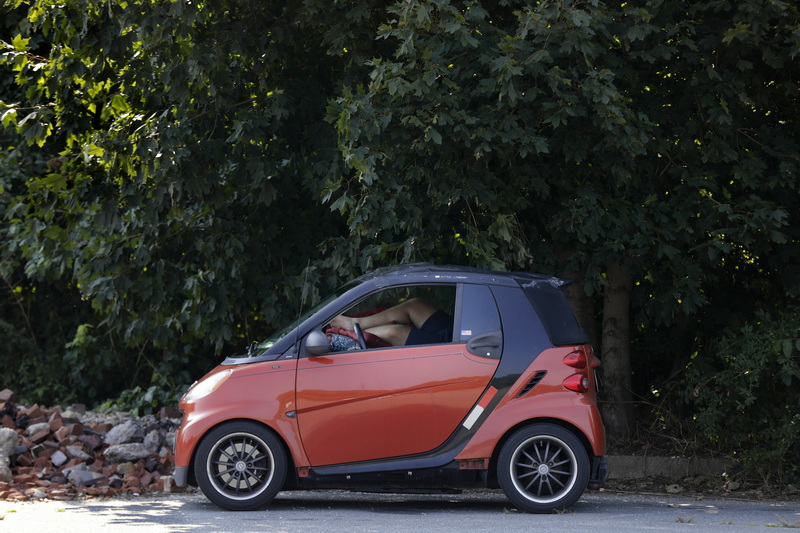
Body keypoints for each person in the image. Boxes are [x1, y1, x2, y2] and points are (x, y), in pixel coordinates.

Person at [330, 298, 453, 347]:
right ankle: (356, 324)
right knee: (415, 305)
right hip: (457, 327)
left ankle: (349, 334)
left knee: (395, 332)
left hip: (459, 344)